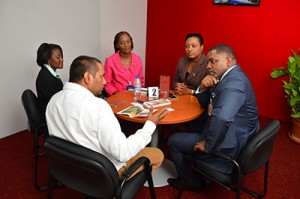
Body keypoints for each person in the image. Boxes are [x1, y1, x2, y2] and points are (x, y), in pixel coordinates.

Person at [46, 55, 169, 177]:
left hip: (68, 169)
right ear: (88, 77)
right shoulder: (99, 106)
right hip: (101, 175)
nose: (105, 81)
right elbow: (123, 153)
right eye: (102, 76)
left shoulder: (53, 100)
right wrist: (150, 126)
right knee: (158, 154)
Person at [167, 44, 259, 191]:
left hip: (230, 145)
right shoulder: (230, 76)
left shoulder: (233, 83)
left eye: (212, 61)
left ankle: (190, 182)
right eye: (208, 62)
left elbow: (222, 118)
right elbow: (209, 102)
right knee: (193, 125)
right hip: (236, 133)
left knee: (173, 140)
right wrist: (203, 88)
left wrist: (208, 144)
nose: (208, 66)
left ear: (228, 61)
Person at [104, 31, 144, 96]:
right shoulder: (110, 61)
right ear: (117, 45)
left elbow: (141, 80)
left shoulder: (138, 59)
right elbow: (107, 83)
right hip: (117, 97)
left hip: (134, 96)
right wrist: (118, 94)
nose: (126, 45)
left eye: (128, 42)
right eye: (122, 43)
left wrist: (137, 93)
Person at [36, 43, 64, 115]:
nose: (62, 59)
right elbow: (56, 104)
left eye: (61, 56)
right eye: (58, 57)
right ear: (48, 60)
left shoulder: (48, 73)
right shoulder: (45, 77)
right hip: (52, 117)